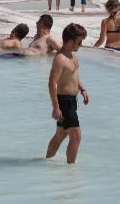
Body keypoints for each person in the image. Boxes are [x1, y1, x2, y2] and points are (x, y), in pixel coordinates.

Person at [46, 23, 89, 164]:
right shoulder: (60, 59)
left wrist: (82, 89)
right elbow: (52, 83)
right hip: (63, 102)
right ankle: (71, 169)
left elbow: (74, 76)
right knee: (76, 136)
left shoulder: (72, 55)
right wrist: (55, 107)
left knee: (61, 134)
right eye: (79, 41)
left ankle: (48, 161)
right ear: (70, 41)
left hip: (72, 100)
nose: (81, 45)